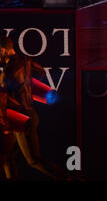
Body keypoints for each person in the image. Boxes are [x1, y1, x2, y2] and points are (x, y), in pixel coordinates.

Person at [0, 36, 69, 180]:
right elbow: (41, 72)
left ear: (3, 50)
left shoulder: (6, 74)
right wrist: (26, 86)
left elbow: (3, 102)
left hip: (21, 120)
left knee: (33, 160)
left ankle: (68, 179)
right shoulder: (26, 61)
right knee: (7, 156)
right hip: (27, 115)